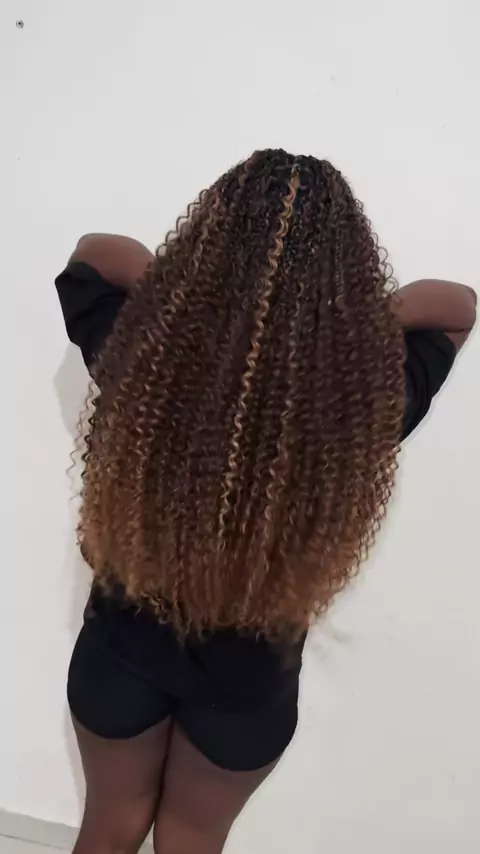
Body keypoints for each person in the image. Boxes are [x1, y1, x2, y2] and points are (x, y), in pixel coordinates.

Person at [55, 149, 476, 854]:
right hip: (249, 689)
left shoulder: (143, 355)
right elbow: (458, 303)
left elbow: (95, 253)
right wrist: (333, 325)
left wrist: (194, 297)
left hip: (121, 655)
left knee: (109, 827)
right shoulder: (361, 399)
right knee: (192, 839)